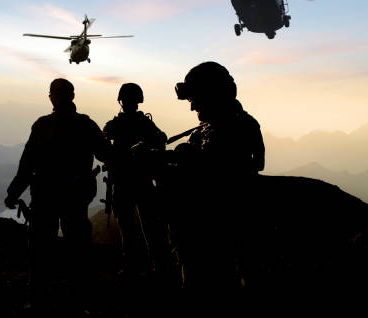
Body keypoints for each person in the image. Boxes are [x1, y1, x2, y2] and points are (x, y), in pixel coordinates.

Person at [4, 78, 111, 312]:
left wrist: (13, 194)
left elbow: (26, 166)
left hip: (45, 198)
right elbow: (107, 155)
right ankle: (79, 300)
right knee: (78, 249)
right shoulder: (86, 125)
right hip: (75, 198)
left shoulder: (42, 126)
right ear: (72, 96)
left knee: (41, 252)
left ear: (52, 97)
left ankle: (40, 300)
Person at [171, 61, 264, 296]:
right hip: (201, 226)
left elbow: (220, 171)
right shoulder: (216, 126)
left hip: (217, 229)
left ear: (212, 95)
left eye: (195, 99)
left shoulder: (234, 126)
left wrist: (183, 157)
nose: (192, 107)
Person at [103, 83, 169, 276]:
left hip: (128, 181)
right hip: (138, 181)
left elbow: (105, 143)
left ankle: (140, 266)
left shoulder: (117, 124)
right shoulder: (142, 123)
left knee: (134, 227)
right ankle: (157, 266)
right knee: (147, 227)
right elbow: (161, 139)